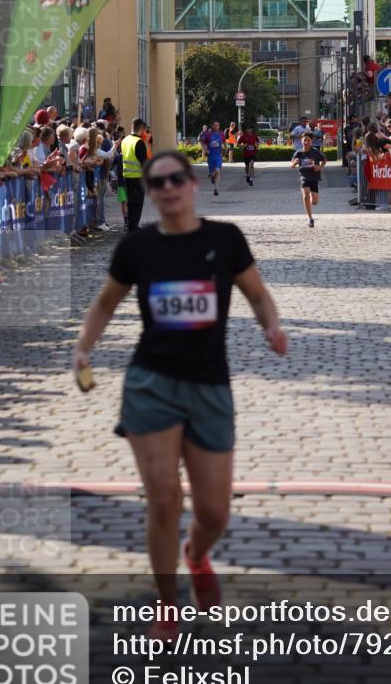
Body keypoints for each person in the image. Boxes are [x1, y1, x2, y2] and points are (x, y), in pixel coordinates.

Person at [73, 150, 287, 638]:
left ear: (191, 184)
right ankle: (166, 600)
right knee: (164, 499)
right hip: (151, 384)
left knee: (214, 512)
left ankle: (196, 555)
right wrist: (83, 348)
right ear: (150, 193)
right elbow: (106, 302)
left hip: (210, 383)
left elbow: (256, 293)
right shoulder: (138, 248)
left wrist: (271, 326)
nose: (167, 189)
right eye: (157, 183)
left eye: (175, 179)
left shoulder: (224, 239)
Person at [290, 131, 327, 228]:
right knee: (306, 196)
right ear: (301, 141)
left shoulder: (315, 151)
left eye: (308, 140)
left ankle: (310, 202)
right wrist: (295, 163)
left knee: (314, 202)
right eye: (304, 140)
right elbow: (291, 165)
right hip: (304, 176)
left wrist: (320, 167)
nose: (306, 142)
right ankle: (310, 218)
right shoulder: (298, 152)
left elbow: (324, 160)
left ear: (312, 141)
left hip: (314, 177)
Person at [121, 118, 148, 231]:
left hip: (127, 176)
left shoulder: (125, 140)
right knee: (137, 203)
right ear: (141, 129)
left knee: (130, 202)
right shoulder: (139, 142)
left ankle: (130, 224)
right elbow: (144, 163)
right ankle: (134, 226)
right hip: (138, 177)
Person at [204, 121, 226, 196]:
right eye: (215, 125)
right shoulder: (208, 135)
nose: (216, 127)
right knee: (212, 172)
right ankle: (212, 175)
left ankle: (216, 189)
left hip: (218, 156)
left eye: (217, 125)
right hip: (211, 156)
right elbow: (203, 143)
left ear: (219, 127)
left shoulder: (221, 134)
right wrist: (206, 150)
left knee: (218, 170)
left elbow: (224, 142)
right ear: (212, 126)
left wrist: (226, 148)